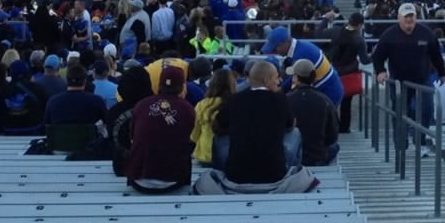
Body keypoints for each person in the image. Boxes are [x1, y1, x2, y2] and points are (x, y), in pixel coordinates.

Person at [193, 59, 317, 195]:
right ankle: (289, 169)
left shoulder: (234, 99)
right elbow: (290, 125)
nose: (279, 81)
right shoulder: (280, 99)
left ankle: (222, 169)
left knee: (220, 137)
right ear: (265, 80)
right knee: (295, 133)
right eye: (276, 77)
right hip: (274, 175)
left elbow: (217, 126)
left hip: (236, 176)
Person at [370, 2, 445, 151]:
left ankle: (420, 138)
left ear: (416, 17)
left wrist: (442, 72)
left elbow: (435, 54)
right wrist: (380, 71)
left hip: (422, 78)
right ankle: (400, 140)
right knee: (399, 110)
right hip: (399, 80)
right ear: (399, 18)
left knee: (427, 109)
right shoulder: (389, 35)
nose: (409, 20)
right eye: (406, 17)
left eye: (411, 16)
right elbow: (377, 56)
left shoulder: (426, 33)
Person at [126, 65, 195, 193]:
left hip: (138, 178)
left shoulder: (142, 104)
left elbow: (132, 137)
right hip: (173, 180)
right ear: (183, 86)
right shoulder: (187, 108)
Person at [287, 59, 341, 165]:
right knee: (335, 146)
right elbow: (333, 136)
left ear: (296, 78)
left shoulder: (286, 100)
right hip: (318, 157)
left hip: (294, 157)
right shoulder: (326, 101)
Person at [328, 11, 369, 133]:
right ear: (360, 24)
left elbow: (320, 33)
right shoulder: (359, 39)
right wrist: (376, 55)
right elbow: (365, 60)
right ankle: (344, 127)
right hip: (349, 72)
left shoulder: (337, 31)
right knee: (346, 102)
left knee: (332, 100)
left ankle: (332, 124)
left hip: (334, 70)